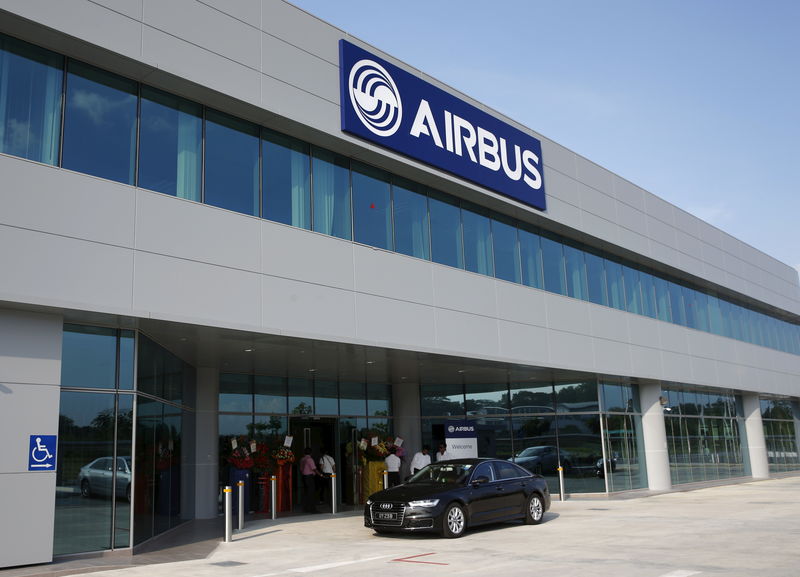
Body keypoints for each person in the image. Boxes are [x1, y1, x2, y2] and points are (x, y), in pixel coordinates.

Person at [299, 447, 322, 513]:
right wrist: (320, 474)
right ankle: (312, 509)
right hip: (309, 477)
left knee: (306, 493)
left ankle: (305, 508)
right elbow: (314, 468)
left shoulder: (302, 459)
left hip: (304, 477)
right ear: (311, 453)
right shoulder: (310, 459)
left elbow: (301, 469)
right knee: (311, 493)